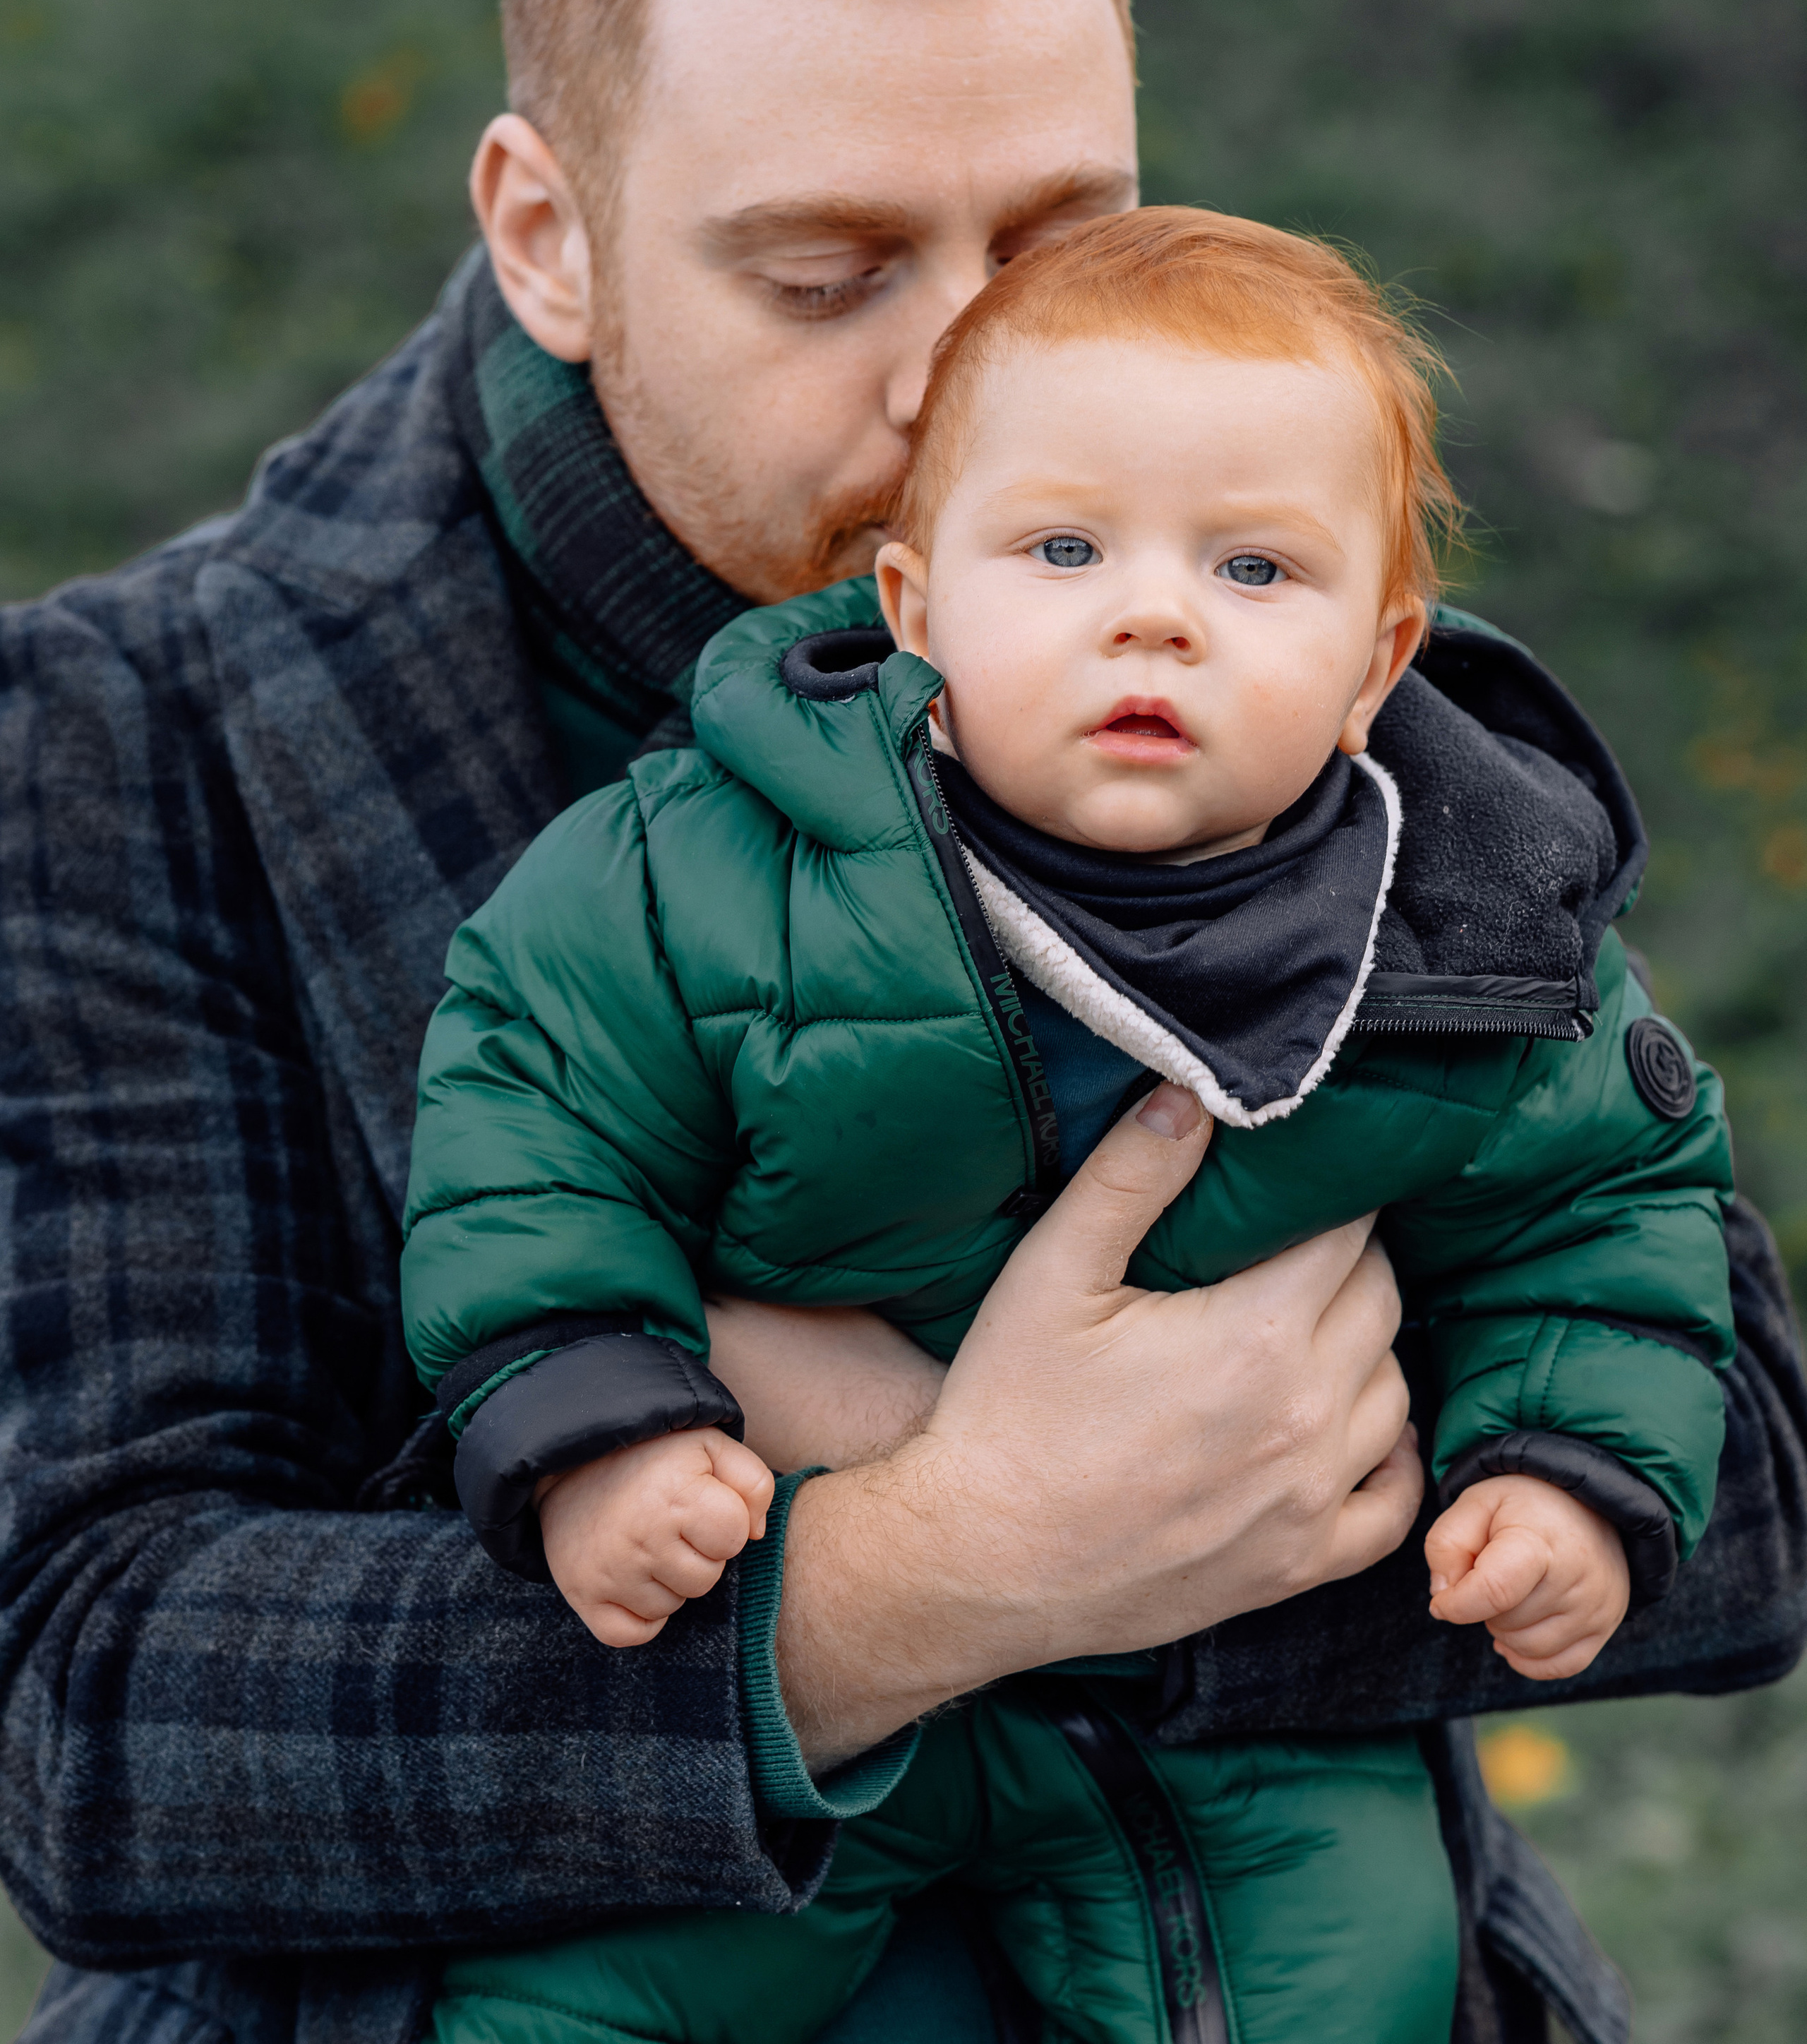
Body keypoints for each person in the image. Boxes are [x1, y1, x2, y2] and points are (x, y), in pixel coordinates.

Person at [0, 0, 1799, 2044]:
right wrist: (923, 1576)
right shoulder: (137, 738)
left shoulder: (1264, 632)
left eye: (1061, 239)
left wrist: (1176, 1520)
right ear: (552, 235)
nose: (975, 385)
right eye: (828, 278)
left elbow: (1745, 1475)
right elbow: (93, 1719)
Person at [402, 209, 1731, 2044]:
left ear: (1378, 662)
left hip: (1231, 1718)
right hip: (793, 1637)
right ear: (915, 607)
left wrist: (1567, 1472)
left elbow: (1604, 1219)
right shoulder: (710, 865)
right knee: (588, 1989)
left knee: (1353, 1971)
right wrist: (591, 1421)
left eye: (1257, 571)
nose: (1153, 609)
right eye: (1062, 548)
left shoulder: (1472, 940)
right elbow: (537, 1109)